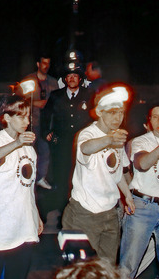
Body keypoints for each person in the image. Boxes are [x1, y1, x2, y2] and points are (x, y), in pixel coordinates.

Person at [61, 86, 135, 263]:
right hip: (85, 213)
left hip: (110, 212)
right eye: (112, 112)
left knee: (107, 266)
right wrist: (109, 139)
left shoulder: (116, 136)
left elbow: (116, 174)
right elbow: (86, 148)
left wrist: (128, 195)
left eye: (121, 113)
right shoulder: (88, 134)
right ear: (100, 112)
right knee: (81, 267)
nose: (118, 118)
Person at [0, 95, 43, 279]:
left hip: (23, 227)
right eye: (21, 116)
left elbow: (28, 186)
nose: (27, 121)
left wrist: (35, 213)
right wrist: (16, 143)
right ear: (6, 118)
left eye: (28, 116)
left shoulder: (29, 148)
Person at [119, 102, 159, 279]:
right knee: (128, 266)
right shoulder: (141, 141)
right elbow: (142, 164)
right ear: (149, 121)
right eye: (155, 117)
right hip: (143, 207)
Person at [42, 66, 94, 215]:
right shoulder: (56, 95)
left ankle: (82, 206)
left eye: (75, 76)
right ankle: (63, 209)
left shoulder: (88, 94)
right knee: (61, 174)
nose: (72, 79)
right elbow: (46, 115)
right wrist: (47, 132)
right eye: (69, 76)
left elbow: (94, 115)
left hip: (82, 141)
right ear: (65, 80)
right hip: (61, 142)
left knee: (82, 172)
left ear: (80, 79)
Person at [17, 55, 59, 190]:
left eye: (48, 63)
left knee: (45, 151)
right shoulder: (28, 81)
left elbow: (57, 100)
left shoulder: (53, 82)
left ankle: (40, 177)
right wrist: (36, 103)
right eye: (44, 63)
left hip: (46, 124)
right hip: (30, 123)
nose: (46, 66)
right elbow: (18, 100)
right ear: (38, 64)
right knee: (27, 150)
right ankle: (24, 177)